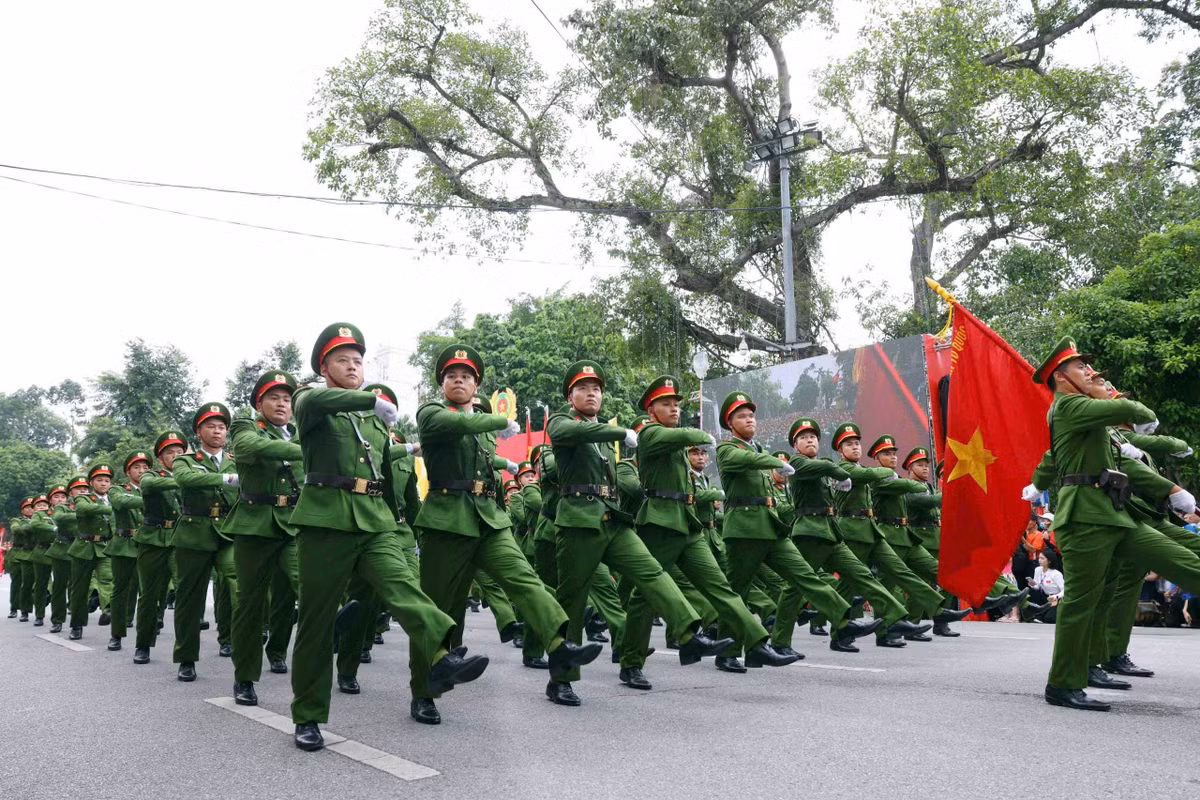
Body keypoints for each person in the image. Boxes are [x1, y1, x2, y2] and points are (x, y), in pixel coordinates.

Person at [289, 325, 484, 750]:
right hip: (326, 521)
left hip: (376, 521)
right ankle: (308, 715)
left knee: (404, 588)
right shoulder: (311, 402)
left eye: (358, 360)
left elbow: (386, 478)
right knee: (317, 622)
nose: (353, 366)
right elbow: (317, 400)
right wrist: (369, 400)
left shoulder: (374, 423)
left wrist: (402, 522)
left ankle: (442, 655)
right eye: (342, 360)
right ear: (324, 367)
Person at [413, 344, 598, 714]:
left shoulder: (483, 429)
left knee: (524, 580)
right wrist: (498, 422)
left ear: (476, 384)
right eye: (452, 376)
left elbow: (488, 472)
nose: (459, 381)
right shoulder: (431, 413)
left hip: (487, 519)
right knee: (439, 606)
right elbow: (459, 424)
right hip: (446, 520)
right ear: (442, 384)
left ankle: (559, 644)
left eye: (466, 376)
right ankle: (424, 690)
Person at [1030, 336, 1200, 711]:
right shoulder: (1069, 406)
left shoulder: (1092, 419)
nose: (1089, 372)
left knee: (1184, 563)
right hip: (1085, 519)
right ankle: (1063, 683)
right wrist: (1140, 411)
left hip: (1113, 515)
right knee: (1081, 603)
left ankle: (1089, 666)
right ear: (1060, 376)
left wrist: (1171, 489)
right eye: (1081, 367)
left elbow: (1123, 466)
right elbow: (1122, 406)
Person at [551, 370, 731, 696]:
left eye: (596, 389)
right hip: (578, 521)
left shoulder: (604, 435)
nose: (591, 393)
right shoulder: (561, 422)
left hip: (612, 520)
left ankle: (689, 634)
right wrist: (620, 431)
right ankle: (561, 680)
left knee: (651, 572)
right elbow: (570, 432)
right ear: (570, 396)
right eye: (583, 388)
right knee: (572, 600)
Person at [715, 393, 880, 670]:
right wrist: (773, 462)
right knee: (738, 592)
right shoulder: (727, 449)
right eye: (742, 416)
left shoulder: (757, 448)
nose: (749, 420)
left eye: (751, 415)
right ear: (730, 423)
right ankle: (729, 651)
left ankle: (843, 620)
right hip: (744, 529)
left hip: (771, 527)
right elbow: (743, 460)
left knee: (804, 575)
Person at [772, 418, 921, 654]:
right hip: (810, 532)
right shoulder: (797, 463)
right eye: (803, 438)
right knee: (795, 589)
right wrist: (840, 473)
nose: (809, 440)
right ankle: (780, 642)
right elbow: (823, 469)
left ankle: (892, 618)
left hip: (830, 532)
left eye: (813, 437)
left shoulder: (820, 466)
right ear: (795, 445)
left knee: (861, 574)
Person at [225, 370, 305, 706]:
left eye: (287, 399)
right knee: (250, 604)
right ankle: (244, 677)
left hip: (293, 523)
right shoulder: (246, 426)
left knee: (304, 584)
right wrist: (303, 448)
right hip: (255, 524)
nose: (282, 404)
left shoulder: (299, 433)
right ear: (260, 404)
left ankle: (323, 628)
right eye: (274, 398)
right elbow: (248, 447)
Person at [172, 402, 241, 681]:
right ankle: (186, 657)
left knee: (238, 586)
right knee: (190, 598)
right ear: (199, 432)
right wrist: (226, 478)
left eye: (222, 427)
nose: (217, 431)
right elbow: (186, 479)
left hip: (228, 532)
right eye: (211, 426)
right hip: (194, 534)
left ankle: (235, 640)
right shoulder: (185, 461)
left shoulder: (236, 460)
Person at [133, 431, 185, 664]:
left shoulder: (194, 473)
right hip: (153, 539)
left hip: (180, 538)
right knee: (149, 595)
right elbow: (148, 486)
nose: (175, 456)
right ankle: (143, 644)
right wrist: (186, 479)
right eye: (170, 453)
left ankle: (185, 651)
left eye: (180, 452)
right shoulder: (151, 475)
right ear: (160, 458)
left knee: (185, 591)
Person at [108, 451, 151, 650]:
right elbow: (120, 502)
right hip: (124, 544)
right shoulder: (117, 489)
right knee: (120, 590)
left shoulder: (156, 488)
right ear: (128, 471)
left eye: (145, 467)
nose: (141, 471)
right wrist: (150, 499)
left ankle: (146, 638)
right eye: (136, 467)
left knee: (148, 591)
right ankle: (116, 633)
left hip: (148, 543)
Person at [69, 465, 117, 640]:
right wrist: (111, 508)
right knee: (80, 589)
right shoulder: (84, 498)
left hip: (104, 547)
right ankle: (77, 624)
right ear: (91, 483)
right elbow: (83, 509)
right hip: (84, 547)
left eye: (107, 480)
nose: (103, 483)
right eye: (99, 480)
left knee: (107, 579)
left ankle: (108, 610)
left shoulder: (115, 498)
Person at [1027, 551, 1063, 623]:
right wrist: (1032, 584)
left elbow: (1064, 590)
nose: (1039, 560)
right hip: (1044, 596)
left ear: (1049, 561)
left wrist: (1055, 597)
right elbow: (1037, 586)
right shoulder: (1038, 569)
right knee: (1031, 592)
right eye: (1039, 558)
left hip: (1055, 598)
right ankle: (1037, 614)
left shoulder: (1056, 574)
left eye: (1042, 558)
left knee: (1049, 619)